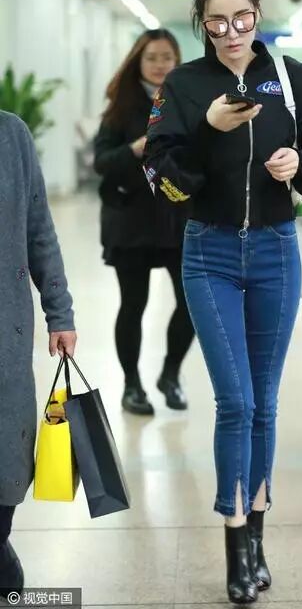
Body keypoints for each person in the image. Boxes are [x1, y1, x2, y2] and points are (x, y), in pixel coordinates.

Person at [143, 0, 302, 604]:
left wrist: (301, 163)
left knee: (266, 402)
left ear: (258, 14)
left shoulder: (291, 76)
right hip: (210, 253)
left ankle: (256, 533)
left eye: (243, 19)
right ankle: (234, 536)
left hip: (278, 253)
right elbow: (162, 178)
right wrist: (209, 130)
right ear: (201, 24)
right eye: (217, 23)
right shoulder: (183, 85)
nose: (232, 33)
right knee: (236, 400)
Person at [94, 29, 195, 416]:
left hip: (177, 217)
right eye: (151, 57)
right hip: (131, 219)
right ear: (138, 61)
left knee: (192, 303)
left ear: (177, 60)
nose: (159, 65)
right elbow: (102, 161)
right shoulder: (121, 105)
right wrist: (135, 148)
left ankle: (170, 374)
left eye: (166, 57)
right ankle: (131, 385)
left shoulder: (188, 99)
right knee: (133, 304)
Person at [0, 111, 77, 599]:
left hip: (5, 332)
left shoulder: (12, 135)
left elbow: (39, 229)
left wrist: (59, 312)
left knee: (8, 460)